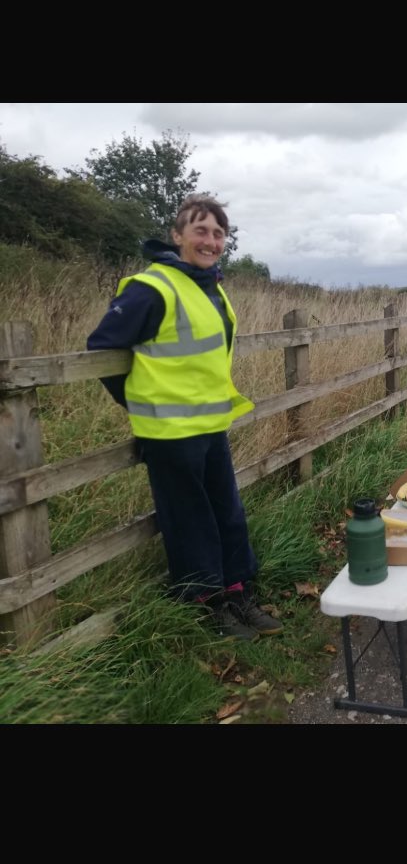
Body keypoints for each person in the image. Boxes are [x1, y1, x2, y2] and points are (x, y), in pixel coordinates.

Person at [87, 194, 282, 642]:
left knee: (227, 514)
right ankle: (205, 603)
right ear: (177, 236)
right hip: (169, 432)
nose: (210, 240)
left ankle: (236, 593)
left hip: (210, 425)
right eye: (200, 230)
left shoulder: (209, 287)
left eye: (218, 232)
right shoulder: (151, 288)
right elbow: (102, 349)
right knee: (190, 518)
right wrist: (139, 400)